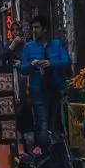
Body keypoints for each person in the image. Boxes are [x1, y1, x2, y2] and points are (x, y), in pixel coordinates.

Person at [18, 16, 71, 151]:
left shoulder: (57, 44)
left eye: (37, 27)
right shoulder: (29, 47)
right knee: (42, 122)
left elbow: (67, 61)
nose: (34, 31)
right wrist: (32, 64)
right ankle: (42, 154)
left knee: (54, 123)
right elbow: (23, 68)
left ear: (45, 29)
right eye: (32, 28)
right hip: (38, 90)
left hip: (55, 88)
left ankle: (53, 153)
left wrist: (51, 63)